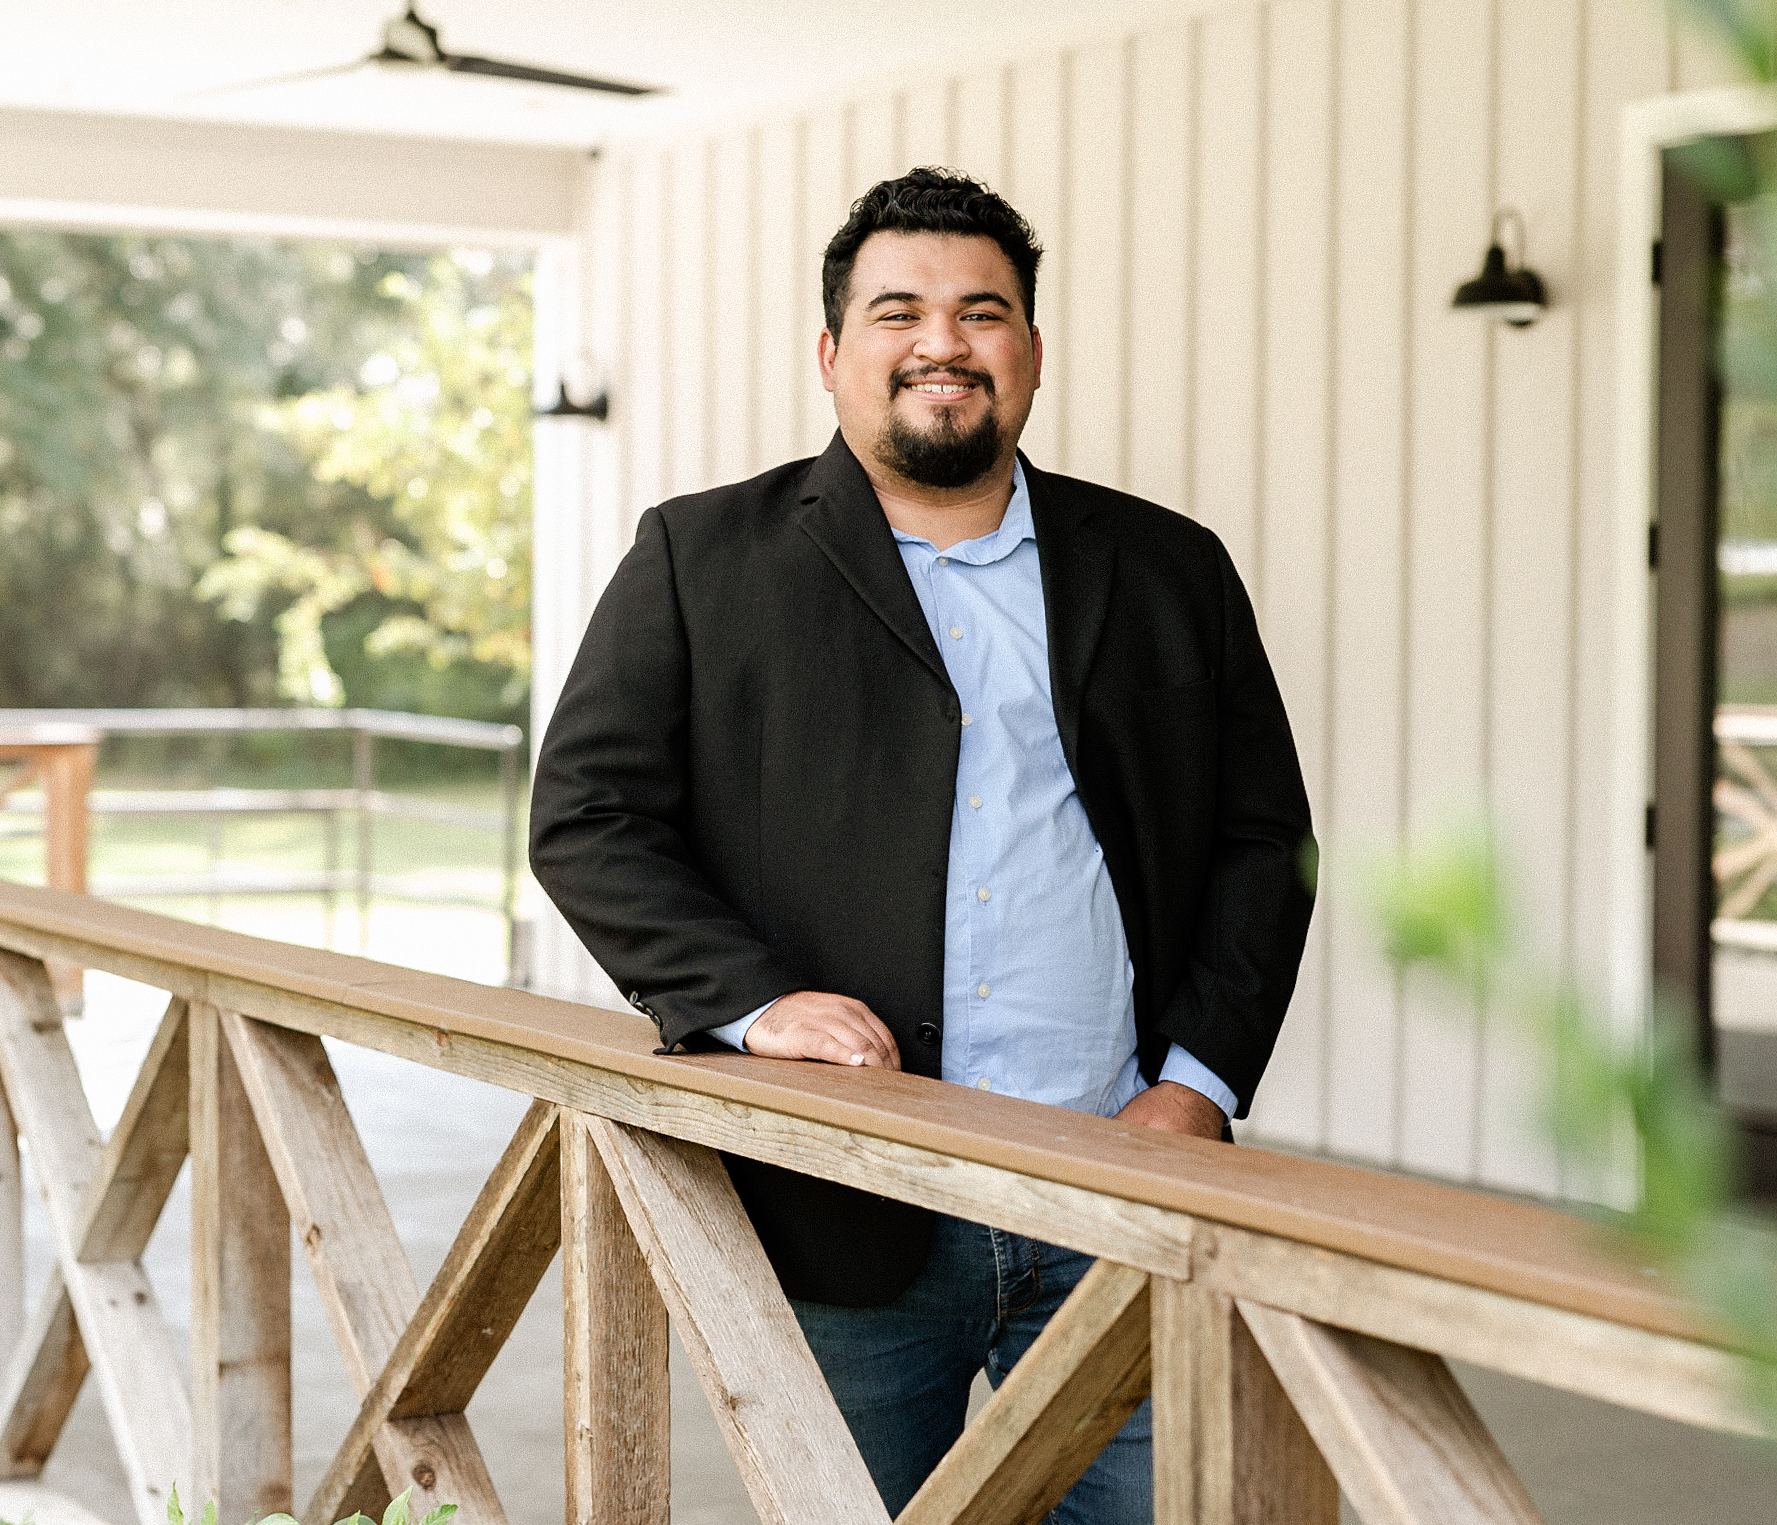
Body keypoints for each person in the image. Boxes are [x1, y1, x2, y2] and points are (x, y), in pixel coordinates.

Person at [528, 166, 1316, 1521]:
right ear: (832, 353)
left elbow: (1264, 841)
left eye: (981, 313)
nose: (941, 344)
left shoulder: (1169, 567)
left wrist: (1198, 1083)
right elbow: (587, 818)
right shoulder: (700, 559)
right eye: (898, 313)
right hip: (846, 1200)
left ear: (1032, 353)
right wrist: (754, 1003)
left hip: (1118, 1181)